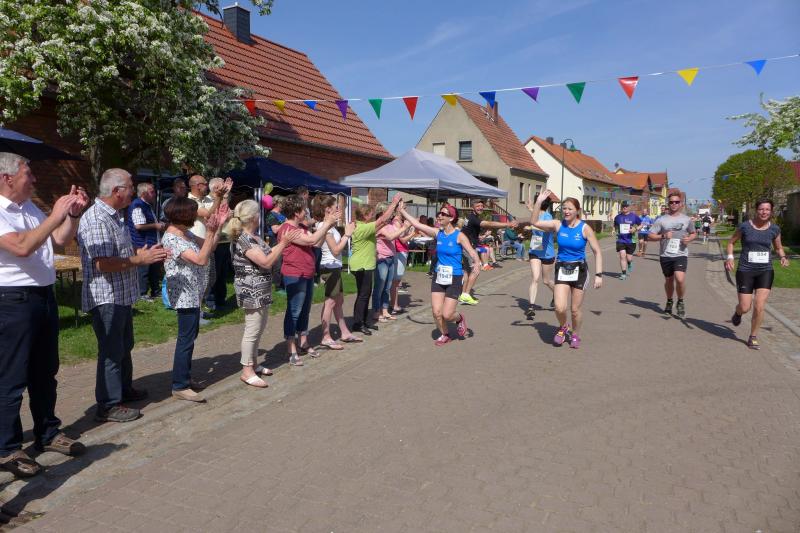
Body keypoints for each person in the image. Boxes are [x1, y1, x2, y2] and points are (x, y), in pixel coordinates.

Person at [0, 153, 89, 478]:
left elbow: (59, 240)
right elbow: (22, 247)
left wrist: (72, 216)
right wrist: (55, 214)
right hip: (13, 301)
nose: (34, 179)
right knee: (11, 377)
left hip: (42, 296)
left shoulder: (28, 208)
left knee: (45, 372)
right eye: (29, 174)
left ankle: (47, 433)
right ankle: (7, 448)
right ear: (7, 177)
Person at [78, 169, 167, 422]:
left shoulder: (116, 216)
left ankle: (123, 390)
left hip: (121, 296)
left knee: (124, 346)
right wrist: (139, 260)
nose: (133, 191)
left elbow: (121, 252)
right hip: (106, 297)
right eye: (131, 187)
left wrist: (144, 253)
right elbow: (102, 263)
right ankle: (108, 405)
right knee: (111, 351)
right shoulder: (97, 218)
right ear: (117, 191)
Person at [161, 197, 227, 401]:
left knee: (190, 337)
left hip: (194, 293)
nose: (196, 216)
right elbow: (200, 259)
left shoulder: (185, 233)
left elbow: (210, 247)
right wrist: (210, 232)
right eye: (193, 212)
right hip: (184, 296)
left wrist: (218, 226)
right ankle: (179, 385)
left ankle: (185, 378)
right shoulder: (172, 238)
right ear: (183, 215)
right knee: (186, 339)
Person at [229, 200, 298, 387]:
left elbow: (268, 254)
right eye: (258, 213)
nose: (261, 216)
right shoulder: (243, 239)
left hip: (261, 288)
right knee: (252, 330)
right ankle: (247, 371)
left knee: (259, 328)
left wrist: (283, 243)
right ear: (253, 217)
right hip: (251, 289)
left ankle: (254, 364)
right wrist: (283, 243)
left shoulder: (254, 237)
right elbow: (266, 262)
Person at [529, 190, 603, 349]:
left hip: (579, 270)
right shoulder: (558, 224)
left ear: (577, 211)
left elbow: (597, 251)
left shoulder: (585, 228)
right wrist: (539, 202)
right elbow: (534, 221)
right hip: (562, 268)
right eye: (564, 208)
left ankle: (575, 334)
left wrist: (599, 274)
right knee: (560, 307)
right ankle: (563, 327)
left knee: (575, 310)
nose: (566, 211)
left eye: (570, 209)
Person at [399, 203, 480, 346]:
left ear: (451, 218)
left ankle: (460, 318)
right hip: (439, 276)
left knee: (447, 314)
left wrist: (477, 263)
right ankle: (445, 334)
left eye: (443, 214)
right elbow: (417, 224)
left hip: (454, 277)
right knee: (437, 312)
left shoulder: (459, 236)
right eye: (439, 213)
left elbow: (472, 251)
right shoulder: (438, 233)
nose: (440, 216)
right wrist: (401, 211)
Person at [278, 194, 338, 365]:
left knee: (305, 310)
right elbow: (311, 239)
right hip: (295, 275)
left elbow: (315, 244)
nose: (306, 212)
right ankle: (291, 348)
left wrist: (327, 225)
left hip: (307, 273)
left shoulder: (301, 227)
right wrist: (326, 223)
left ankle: (303, 342)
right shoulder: (288, 229)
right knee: (294, 311)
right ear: (296, 212)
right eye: (304, 209)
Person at [725, 199, 790, 349]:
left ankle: (753, 336)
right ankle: (738, 313)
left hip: (765, 270)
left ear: (771, 211)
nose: (764, 212)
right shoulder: (745, 226)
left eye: (767, 209)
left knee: (759, 305)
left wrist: (783, 257)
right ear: (756, 210)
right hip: (745, 270)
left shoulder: (774, 229)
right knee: (745, 307)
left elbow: (778, 247)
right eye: (761, 209)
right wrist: (730, 257)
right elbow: (731, 242)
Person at [310, 195, 362, 349]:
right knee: (330, 302)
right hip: (329, 267)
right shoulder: (324, 227)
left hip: (335, 267)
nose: (338, 209)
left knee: (338, 301)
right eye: (336, 207)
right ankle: (325, 336)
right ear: (328, 209)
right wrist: (347, 234)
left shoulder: (330, 226)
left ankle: (344, 332)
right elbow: (336, 250)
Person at [350, 194, 401, 335]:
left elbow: (383, 222)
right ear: (365, 216)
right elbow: (382, 220)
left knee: (365, 294)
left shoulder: (363, 226)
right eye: (371, 214)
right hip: (362, 266)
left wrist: (394, 213)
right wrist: (394, 203)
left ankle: (363, 321)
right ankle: (358, 323)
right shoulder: (362, 228)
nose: (373, 216)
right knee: (363, 295)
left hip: (365, 265)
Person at [459, 199, 518, 305]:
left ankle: (463, 294)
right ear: (473, 207)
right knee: (476, 269)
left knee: (467, 271)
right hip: (469, 247)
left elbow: (468, 231)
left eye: (482, 206)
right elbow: (488, 223)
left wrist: (478, 237)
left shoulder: (470, 216)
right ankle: (466, 294)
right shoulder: (473, 218)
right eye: (478, 206)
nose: (480, 208)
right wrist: (507, 224)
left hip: (465, 246)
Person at [648, 192, 697, 318]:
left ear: (680, 204)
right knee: (669, 280)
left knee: (680, 279)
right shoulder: (661, 220)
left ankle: (680, 301)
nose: (674, 204)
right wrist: (663, 235)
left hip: (681, 253)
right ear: (668, 204)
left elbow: (693, 233)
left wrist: (689, 239)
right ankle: (669, 301)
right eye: (671, 202)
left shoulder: (686, 219)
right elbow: (650, 235)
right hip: (665, 255)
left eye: (676, 202)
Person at [372, 203, 411, 324]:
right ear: (382, 213)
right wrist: (404, 227)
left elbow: (400, 235)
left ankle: (384, 310)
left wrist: (407, 224)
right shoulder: (379, 226)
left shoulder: (389, 225)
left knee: (387, 287)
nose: (391, 214)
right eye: (389, 212)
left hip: (391, 258)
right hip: (382, 259)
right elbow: (390, 237)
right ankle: (376, 312)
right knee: (379, 287)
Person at [127, 182, 166, 300]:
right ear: (144, 193)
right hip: (142, 243)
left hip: (151, 241)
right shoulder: (137, 205)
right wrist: (156, 225)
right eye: (152, 192)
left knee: (154, 267)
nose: (154, 194)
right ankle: (142, 293)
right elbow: (138, 226)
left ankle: (155, 291)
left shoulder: (146, 205)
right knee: (144, 269)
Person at [525, 195, 556, 319]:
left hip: (547, 251)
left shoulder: (548, 217)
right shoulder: (535, 213)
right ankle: (531, 307)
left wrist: (532, 227)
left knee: (546, 281)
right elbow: (536, 214)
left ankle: (556, 293)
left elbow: (547, 229)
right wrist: (530, 209)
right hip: (536, 248)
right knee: (535, 278)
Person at [389, 212, 414, 314]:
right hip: (399, 251)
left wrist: (409, 229)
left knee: (396, 280)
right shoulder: (396, 222)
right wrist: (413, 233)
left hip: (402, 251)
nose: (405, 209)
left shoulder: (400, 221)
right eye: (403, 207)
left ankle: (394, 304)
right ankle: (394, 305)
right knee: (395, 281)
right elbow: (402, 239)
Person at [613, 201, 641, 280]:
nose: (624, 207)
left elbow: (641, 224)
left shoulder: (634, 216)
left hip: (631, 240)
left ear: (629, 207)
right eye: (623, 206)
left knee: (629, 258)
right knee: (622, 255)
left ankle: (629, 262)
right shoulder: (618, 217)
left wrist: (635, 229)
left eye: (626, 206)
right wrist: (613, 230)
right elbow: (615, 225)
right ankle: (623, 273)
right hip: (620, 240)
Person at [265, 195, 287, 291]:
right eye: (282, 203)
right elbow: (275, 230)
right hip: (274, 240)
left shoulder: (282, 214)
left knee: (283, 262)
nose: (284, 205)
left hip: (283, 240)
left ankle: (283, 283)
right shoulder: (270, 215)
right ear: (277, 203)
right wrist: (286, 223)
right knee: (277, 263)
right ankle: (277, 286)